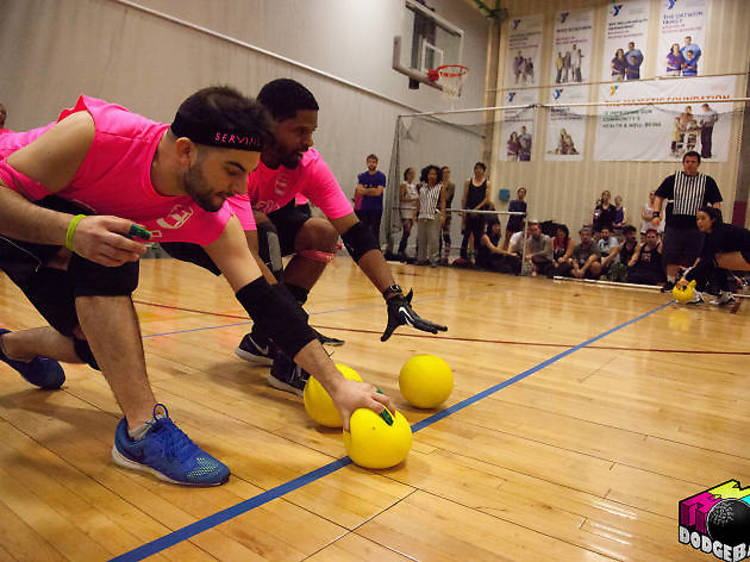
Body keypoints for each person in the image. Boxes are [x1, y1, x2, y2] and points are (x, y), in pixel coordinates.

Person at [0, 87, 393, 486]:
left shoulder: (210, 213)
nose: (241, 190)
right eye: (233, 170)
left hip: (75, 233)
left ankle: (10, 347)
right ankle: (141, 431)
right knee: (113, 256)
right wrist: (71, 231)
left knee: (100, 349)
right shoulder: (95, 134)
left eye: (248, 173)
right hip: (18, 210)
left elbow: (267, 300)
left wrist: (337, 384)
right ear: (186, 150)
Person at [216, 79, 447, 392]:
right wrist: (298, 334)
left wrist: (393, 296)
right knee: (263, 230)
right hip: (205, 235)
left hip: (257, 229)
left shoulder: (308, 164)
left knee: (323, 233)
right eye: (300, 131)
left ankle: (263, 340)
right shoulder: (237, 159)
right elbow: (250, 262)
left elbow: (354, 231)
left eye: (313, 131)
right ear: (266, 124)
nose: (309, 141)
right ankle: (285, 357)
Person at [652, 150, 722, 291]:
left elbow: (716, 202)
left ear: (698, 164)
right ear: (683, 163)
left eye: (693, 162)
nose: (690, 165)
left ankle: (691, 284)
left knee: (695, 256)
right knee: (671, 254)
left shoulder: (707, 181)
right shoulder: (672, 179)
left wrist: (716, 221)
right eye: (687, 162)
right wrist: (656, 214)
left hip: (697, 227)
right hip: (674, 225)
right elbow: (659, 196)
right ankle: (671, 281)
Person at [679, 206, 750, 305]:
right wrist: (690, 271)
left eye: (703, 218)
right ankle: (725, 293)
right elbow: (702, 256)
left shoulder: (718, 233)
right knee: (716, 261)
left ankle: (699, 293)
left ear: (712, 220)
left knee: (714, 261)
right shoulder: (709, 234)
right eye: (697, 219)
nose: (699, 222)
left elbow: (707, 260)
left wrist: (687, 278)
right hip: (744, 252)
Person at [459, 162, 491, 263]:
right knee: (467, 234)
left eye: (480, 169)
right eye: (476, 168)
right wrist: (464, 211)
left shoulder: (487, 183)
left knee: (478, 234)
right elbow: (464, 197)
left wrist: (477, 209)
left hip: (479, 212)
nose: (478, 170)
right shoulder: (468, 182)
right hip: (469, 210)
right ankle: (463, 257)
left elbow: (486, 199)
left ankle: (477, 258)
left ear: (483, 171)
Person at [415, 165, 445, 267]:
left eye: (434, 174)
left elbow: (443, 202)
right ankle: (421, 258)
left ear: (437, 176)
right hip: (422, 214)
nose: (432, 176)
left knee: (433, 238)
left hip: (434, 214)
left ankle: (434, 259)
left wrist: (443, 215)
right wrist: (416, 213)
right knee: (421, 238)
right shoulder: (422, 187)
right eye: (430, 174)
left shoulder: (440, 187)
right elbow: (418, 201)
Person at [355, 154, 386, 243]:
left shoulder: (381, 176)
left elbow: (378, 192)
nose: (371, 164)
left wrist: (366, 190)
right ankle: (365, 250)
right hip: (364, 207)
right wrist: (372, 190)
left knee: (375, 230)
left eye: (373, 162)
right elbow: (359, 191)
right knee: (364, 229)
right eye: (369, 162)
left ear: (376, 163)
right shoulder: (362, 176)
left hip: (376, 208)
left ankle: (375, 249)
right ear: (367, 163)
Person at [397, 167, 419, 259]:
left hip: (412, 211)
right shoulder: (404, 185)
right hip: (405, 210)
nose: (412, 175)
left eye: (413, 174)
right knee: (407, 230)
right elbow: (401, 198)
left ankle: (403, 249)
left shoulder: (414, 186)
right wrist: (413, 199)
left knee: (408, 232)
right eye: (410, 173)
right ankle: (401, 250)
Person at [439, 165, 455, 264]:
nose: (447, 174)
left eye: (448, 172)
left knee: (446, 234)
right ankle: (438, 255)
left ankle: (446, 256)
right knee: (437, 235)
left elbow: (447, 198)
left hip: (447, 211)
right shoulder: (438, 184)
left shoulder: (451, 185)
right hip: (438, 211)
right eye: (445, 172)